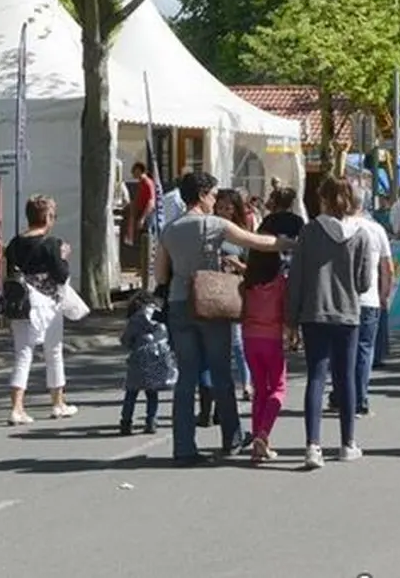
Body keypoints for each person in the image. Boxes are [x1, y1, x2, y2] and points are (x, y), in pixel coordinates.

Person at [155, 171, 291, 467]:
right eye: (214, 194)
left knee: (186, 376)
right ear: (202, 194)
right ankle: (231, 437)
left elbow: (160, 274)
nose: (216, 200)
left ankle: (183, 446)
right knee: (220, 372)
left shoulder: (169, 229)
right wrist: (288, 243)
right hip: (210, 303)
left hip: (179, 302)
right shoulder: (214, 224)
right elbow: (257, 242)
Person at [286, 176, 372, 470]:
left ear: (322, 198)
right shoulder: (361, 235)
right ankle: (348, 443)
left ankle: (313, 446)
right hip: (348, 313)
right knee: (346, 378)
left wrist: (290, 318)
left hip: (314, 312)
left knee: (316, 377)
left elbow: (295, 278)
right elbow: (364, 282)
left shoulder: (309, 232)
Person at [240, 190, 303, 462]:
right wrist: (293, 333)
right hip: (272, 336)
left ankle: (257, 437)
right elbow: (287, 312)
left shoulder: (249, 283)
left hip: (249, 337)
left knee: (259, 389)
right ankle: (263, 433)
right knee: (277, 388)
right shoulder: (280, 284)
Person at [4, 194, 77, 426]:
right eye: (53, 216)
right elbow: (61, 275)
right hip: (47, 303)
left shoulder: (14, 243)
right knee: (53, 352)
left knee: (22, 354)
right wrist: (64, 257)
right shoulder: (52, 244)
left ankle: (17, 407)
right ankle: (58, 402)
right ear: (46, 217)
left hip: (21, 302)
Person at [344, 179, 393, 417]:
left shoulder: (339, 226)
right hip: (369, 298)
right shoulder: (376, 229)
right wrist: (384, 295)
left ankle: (343, 395)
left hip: (342, 299)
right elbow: (388, 268)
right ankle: (360, 400)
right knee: (365, 349)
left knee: (343, 351)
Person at [214, 189, 253, 405]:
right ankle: (215, 386)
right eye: (220, 208)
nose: (223, 212)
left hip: (233, 290)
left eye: (228, 208)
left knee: (236, 341)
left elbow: (251, 268)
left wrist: (236, 264)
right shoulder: (209, 230)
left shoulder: (240, 234)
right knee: (215, 341)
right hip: (211, 289)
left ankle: (246, 383)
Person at [118, 292, 174, 436]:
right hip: (156, 357)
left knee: (131, 392)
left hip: (138, 357)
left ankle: (126, 422)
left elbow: (126, 339)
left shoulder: (135, 319)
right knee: (152, 392)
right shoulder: (159, 315)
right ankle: (151, 421)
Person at [127, 162, 157, 290]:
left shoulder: (147, 182)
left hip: (147, 216)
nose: (132, 174)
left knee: (147, 241)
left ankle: (147, 268)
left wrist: (143, 218)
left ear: (139, 170)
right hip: (141, 214)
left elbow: (151, 201)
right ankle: (142, 267)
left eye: (134, 171)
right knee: (142, 242)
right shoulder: (141, 183)